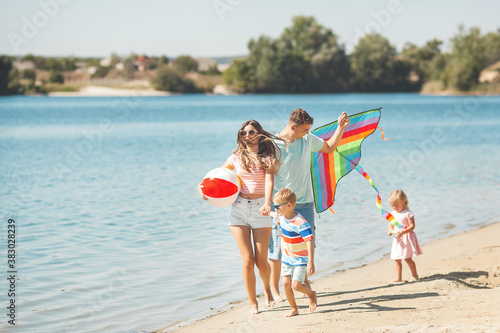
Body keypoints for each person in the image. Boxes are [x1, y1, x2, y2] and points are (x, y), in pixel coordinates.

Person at [197, 120, 281, 315]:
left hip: (261, 209)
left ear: (259, 134)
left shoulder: (267, 156)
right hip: (239, 210)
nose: (246, 136)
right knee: (247, 260)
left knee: (261, 261)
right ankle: (253, 303)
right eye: (243, 133)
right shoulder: (236, 157)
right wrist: (202, 189)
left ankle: (267, 290)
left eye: (251, 132)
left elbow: (269, 181)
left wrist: (268, 203)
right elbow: (216, 177)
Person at [268, 108, 350, 301]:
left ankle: (302, 282)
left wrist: (340, 128)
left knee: (306, 243)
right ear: (292, 127)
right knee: (278, 248)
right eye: (304, 130)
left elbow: (329, 147)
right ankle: (275, 290)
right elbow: (268, 176)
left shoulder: (307, 140)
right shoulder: (273, 145)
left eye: (308, 130)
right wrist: (266, 203)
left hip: (304, 203)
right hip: (280, 205)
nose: (307, 133)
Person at [269, 188, 317, 317]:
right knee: (285, 283)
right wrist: (267, 212)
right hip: (287, 257)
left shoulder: (301, 223)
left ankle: (311, 294)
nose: (276, 209)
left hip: (300, 259)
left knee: (296, 285)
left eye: (277, 206)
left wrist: (310, 263)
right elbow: (275, 215)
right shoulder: (282, 216)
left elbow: (309, 242)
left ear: (289, 205)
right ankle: (294, 308)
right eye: (275, 206)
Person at [387, 189, 423, 282]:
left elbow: (412, 226)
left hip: (406, 237)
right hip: (397, 239)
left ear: (404, 202)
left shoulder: (408, 213)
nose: (394, 207)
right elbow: (390, 225)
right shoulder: (392, 214)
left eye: (397, 205)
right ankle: (398, 278)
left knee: (407, 258)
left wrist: (404, 231)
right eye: (392, 205)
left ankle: (415, 275)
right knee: (397, 259)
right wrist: (390, 231)